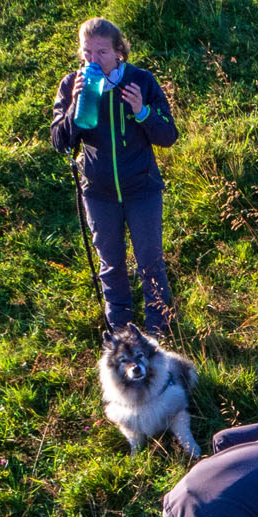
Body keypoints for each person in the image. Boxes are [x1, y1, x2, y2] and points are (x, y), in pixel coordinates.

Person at [49, 17, 180, 335]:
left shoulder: (141, 81)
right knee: (111, 265)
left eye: (102, 52)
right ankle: (121, 332)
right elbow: (59, 141)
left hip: (142, 188)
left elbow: (168, 135)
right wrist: (75, 110)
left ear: (119, 51)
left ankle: (158, 330)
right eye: (87, 52)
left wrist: (142, 112)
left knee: (150, 261)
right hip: (98, 191)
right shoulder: (72, 85)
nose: (93, 60)